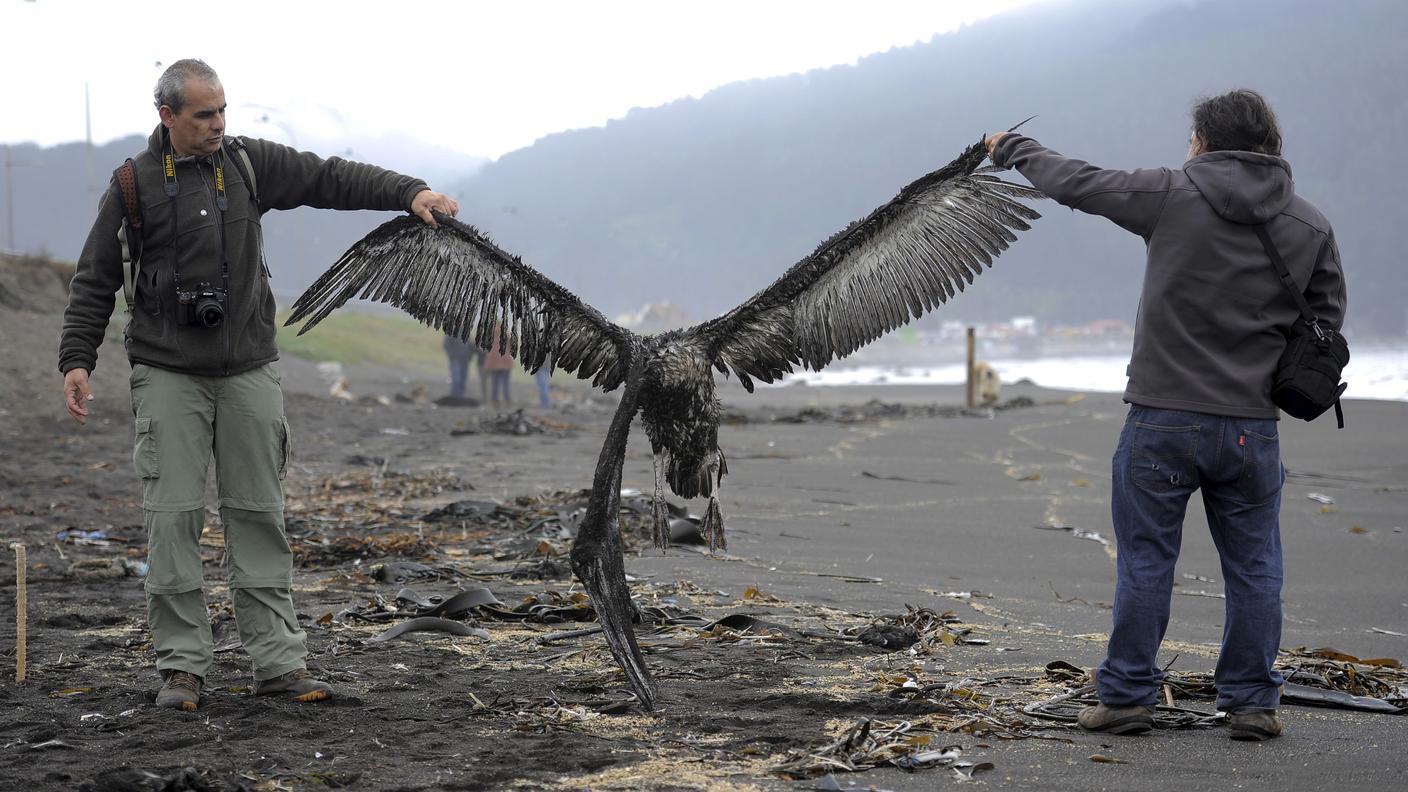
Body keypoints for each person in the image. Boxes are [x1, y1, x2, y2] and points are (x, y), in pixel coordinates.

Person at [59, 59, 460, 711]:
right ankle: (182, 668)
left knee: (258, 517)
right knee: (174, 521)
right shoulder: (131, 185)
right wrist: (77, 359)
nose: (219, 124)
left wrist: (410, 192)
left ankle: (278, 663)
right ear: (167, 116)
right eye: (204, 115)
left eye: (223, 111)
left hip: (248, 369)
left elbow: (330, 176)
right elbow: (94, 278)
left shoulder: (246, 166)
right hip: (166, 374)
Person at [985, 89, 1345, 741]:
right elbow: (1325, 322)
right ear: (1271, 145)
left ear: (1203, 142)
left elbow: (1080, 183)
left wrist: (1014, 148)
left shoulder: (1171, 195)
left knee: (1147, 560)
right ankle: (1252, 703)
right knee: (1256, 567)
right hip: (1249, 427)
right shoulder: (1310, 225)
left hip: (1162, 418)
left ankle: (1125, 695)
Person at [483, 322, 514, 407]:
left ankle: (494, 402)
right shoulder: (506, 334)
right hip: (506, 363)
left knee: (494, 384)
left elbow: (485, 349)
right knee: (505, 384)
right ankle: (507, 401)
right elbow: (512, 347)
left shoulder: (490, 335)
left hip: (494, 363)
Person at [442, 332, 474, 399]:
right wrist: (452, 356)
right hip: (456, 360)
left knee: (463, 378)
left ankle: (461, 396)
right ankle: (455, 396)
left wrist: (470, 355)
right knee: (456, 378)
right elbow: (446, 344)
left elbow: (470, 345)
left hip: (465, 359)